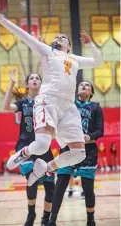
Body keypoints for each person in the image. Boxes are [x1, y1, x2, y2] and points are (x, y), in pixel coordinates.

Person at [0, 5, 103, 186]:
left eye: (63, 37)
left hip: (68, 107)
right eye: (56, 36)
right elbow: (22, 35)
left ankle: (45, 168)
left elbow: (98, 62)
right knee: (41, 145)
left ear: (68, 47)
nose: (58, 37)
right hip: (49, 100)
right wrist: (0, 17)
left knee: (79, 153)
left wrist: (90, 44)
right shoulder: (47, 51)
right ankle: (22, 155)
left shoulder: (75, 59)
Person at [47, 81, 104, 226]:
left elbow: (100, 130)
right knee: (60, 185)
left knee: (88, 189)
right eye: (81, 85)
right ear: (76, 90)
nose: (83, 86)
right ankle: (51, 220)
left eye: (87, 85)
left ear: (91, 92)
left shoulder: (95, 107)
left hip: (88, 151)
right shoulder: (68, 105)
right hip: (69, 149)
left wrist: (89, 137)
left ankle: (90, 221)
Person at [3, 69, 55, 226]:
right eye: (31, 78)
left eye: (37, 78)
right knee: (31, 182)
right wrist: (11, 83)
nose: (34, 80)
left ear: (40, 83)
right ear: (27, 84)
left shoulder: (46, 101)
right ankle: (31, 214)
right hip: (25, 145)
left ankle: (46, 218)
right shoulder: (22, 103)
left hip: (44, 145)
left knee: (50, 186)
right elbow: (5, 106)